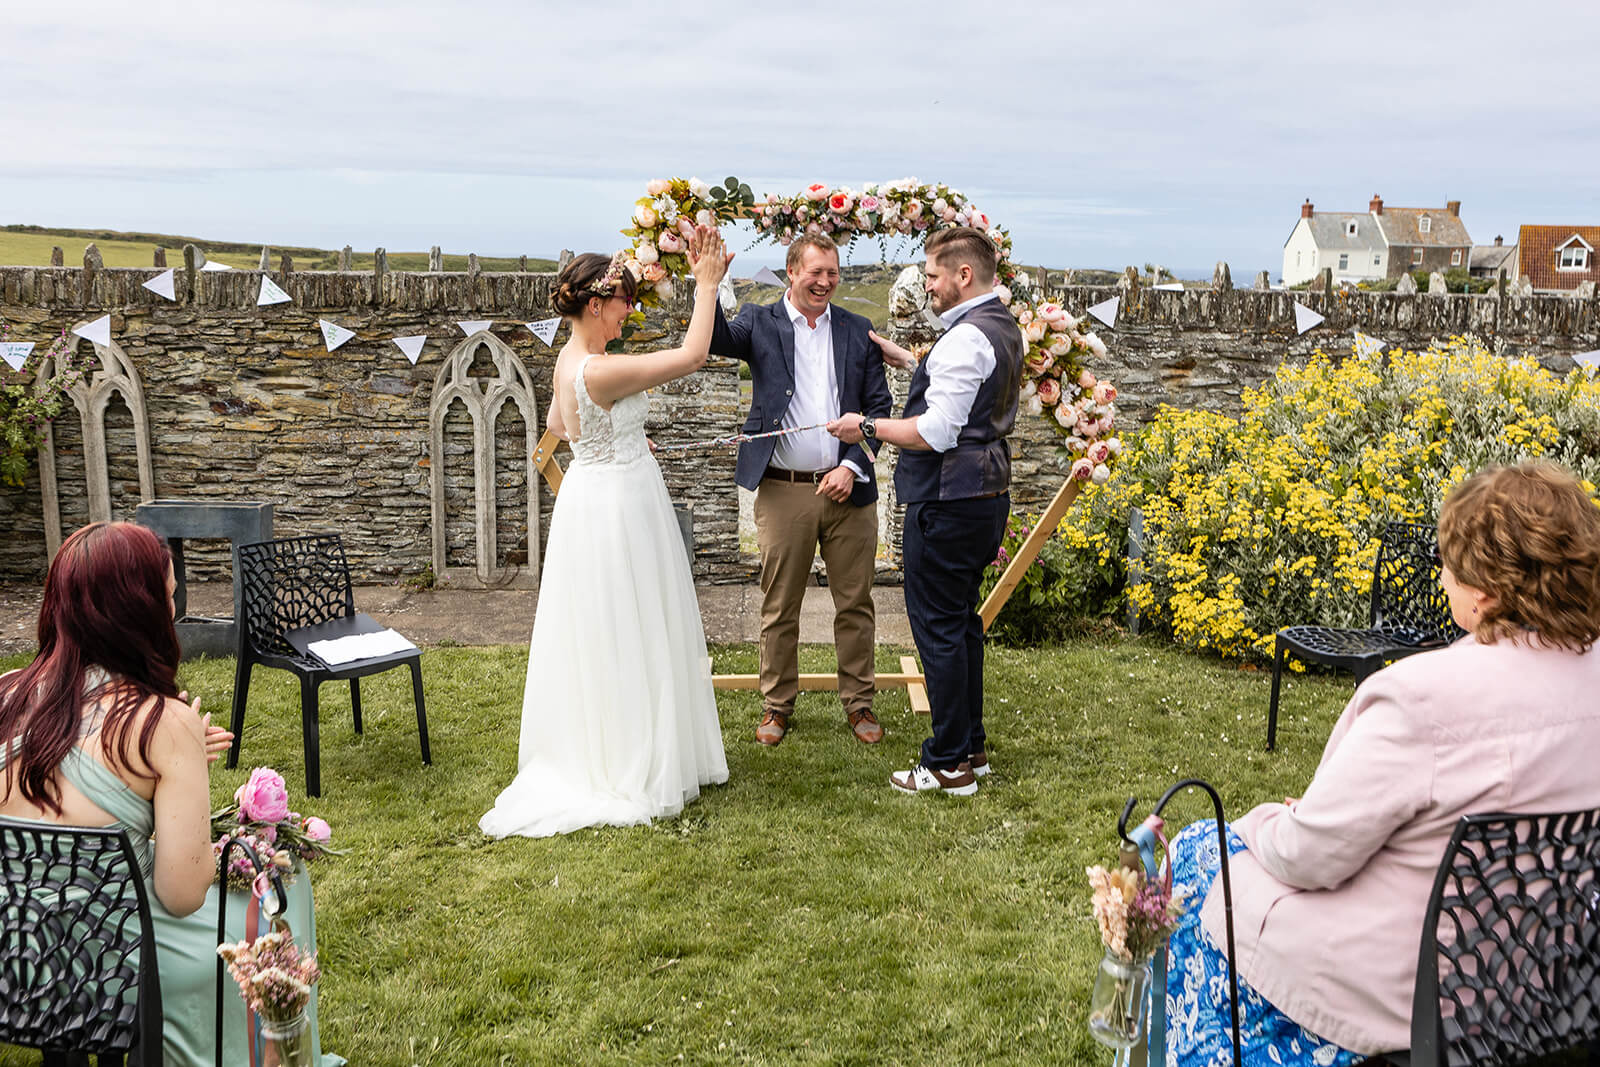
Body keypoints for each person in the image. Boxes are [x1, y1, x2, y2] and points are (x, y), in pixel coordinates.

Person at [1163, 460, 1600, 1064]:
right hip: (1550, 976)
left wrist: (1264, 823)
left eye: (1449, 567)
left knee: (1196, 856)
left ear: (1486, 590)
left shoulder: (1425, 696)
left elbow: (1308, 855)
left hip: (1420, 992)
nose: (1442, 580)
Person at [0, 521, 339, 1067]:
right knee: (280, 887)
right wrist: (182, 778)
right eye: (170, 595)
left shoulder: (8, 693)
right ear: (140, 613)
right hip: (113, 966)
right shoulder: (161, 722)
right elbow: (180, 894)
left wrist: (163, 774)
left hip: (19, 957)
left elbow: (65, 812)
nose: (175, 610)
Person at [480, 228, 731, 838]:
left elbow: (559, 426)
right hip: (619, 506)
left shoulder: (567, 360)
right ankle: (630, 759)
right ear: (596, 304)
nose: (628, 312)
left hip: (594, 500)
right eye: (622, 302)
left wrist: (616, 433)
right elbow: (693, 357)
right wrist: (706, 285)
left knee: (607, 626)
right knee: (631, 621)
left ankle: (615, 741)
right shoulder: (600, 368)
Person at [829, 227, 1022, 794]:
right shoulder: (1000, 327)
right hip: (985, 499)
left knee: (938, 630)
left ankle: (946, 762)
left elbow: (937, 430)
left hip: (946, 503)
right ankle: (972, 747)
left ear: (964, 275)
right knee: (963, 626)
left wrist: (865, 425)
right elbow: (968, 392)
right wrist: (911, 359)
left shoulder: (965, 338)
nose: (928, 286)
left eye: (934, 275)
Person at [709, 233, 894, 746]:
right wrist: (710, 285)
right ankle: (776, 706)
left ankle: (859, 706)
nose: (825, 281)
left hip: (849, 491)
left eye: (832, 272)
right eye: (815, 271)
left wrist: (853, 466)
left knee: (855, 603)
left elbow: (878, 409)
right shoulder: (758, 321)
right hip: (783, 489)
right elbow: (711, 340)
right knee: (779, 604)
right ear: (791, 271)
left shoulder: (859, 330)